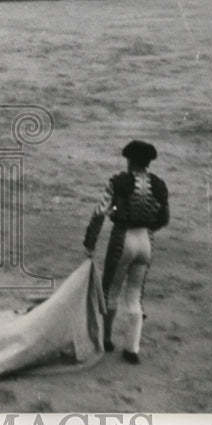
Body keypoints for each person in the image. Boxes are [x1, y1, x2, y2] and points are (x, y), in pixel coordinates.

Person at [82, 140, 169, 364]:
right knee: (135, 295)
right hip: (146, 242)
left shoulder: (118, 182)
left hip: (123, 239)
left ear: (130, 161)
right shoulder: (160, 185)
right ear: (148, 162)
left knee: (110, 290)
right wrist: (147, 228)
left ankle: (107, 339)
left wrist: (90, 241)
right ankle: (132, 348)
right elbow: (164, 219)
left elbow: (100, 212)